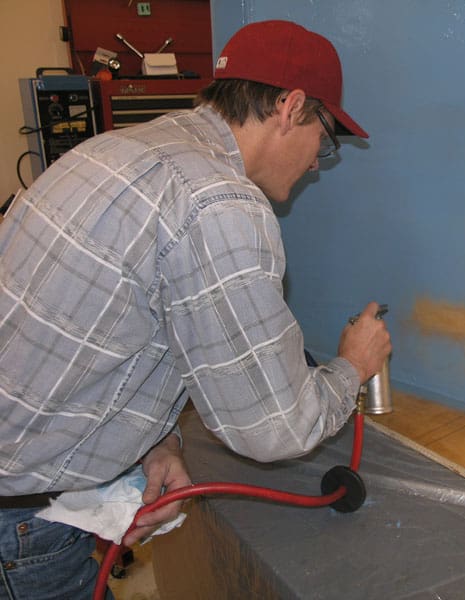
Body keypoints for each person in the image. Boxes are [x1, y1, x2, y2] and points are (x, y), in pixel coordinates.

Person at [0, 19, 391, 599]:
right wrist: (353, 367)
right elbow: (274, 428)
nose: (315, 164)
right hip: (21, 524)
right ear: (291, 107)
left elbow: (115, 327)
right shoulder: (219, 201)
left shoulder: (114, 150)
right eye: (325, 140)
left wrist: (161, 441)